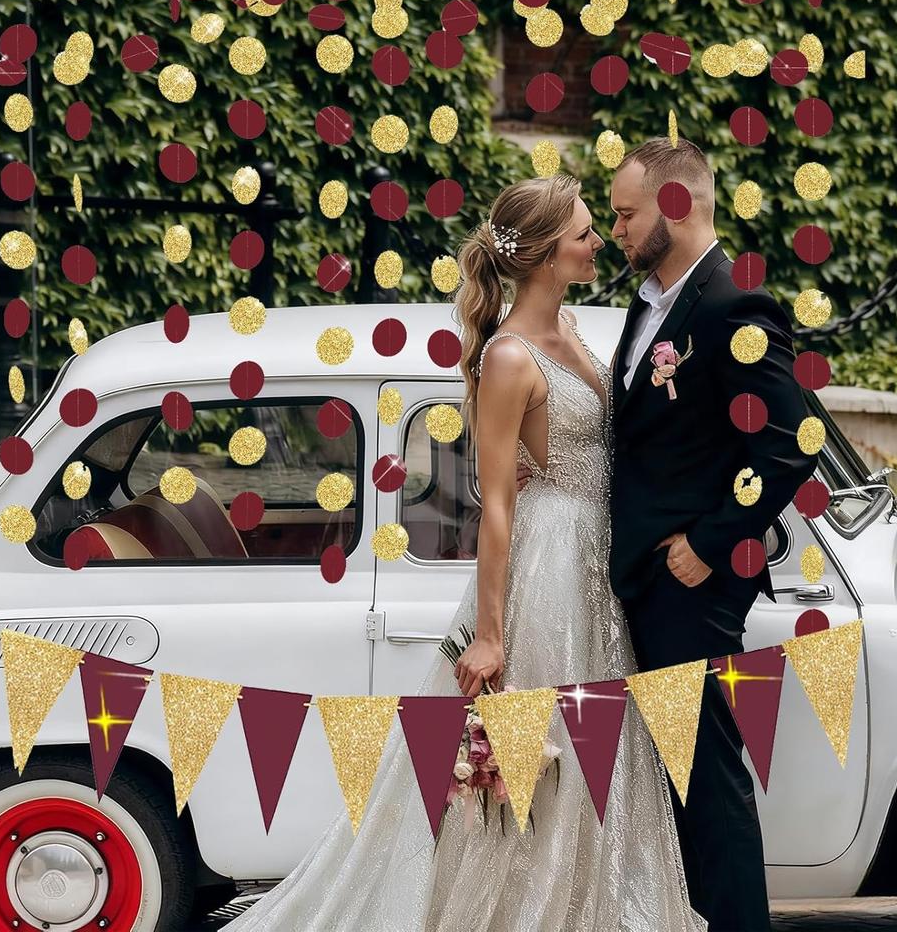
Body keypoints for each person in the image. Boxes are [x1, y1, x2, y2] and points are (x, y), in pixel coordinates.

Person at [222, 172, 707, 932]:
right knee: (540, 755)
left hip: (594, 564)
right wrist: (489, 632)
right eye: (583, 232)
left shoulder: (573, 331)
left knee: (595, 748)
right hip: (546, 566)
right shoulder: (511, 357)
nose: (596, 242)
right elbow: (498, 505)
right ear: (546, 253)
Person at [519, 138, 814, 932]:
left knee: (706, 780)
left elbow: (790, 443)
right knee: (674, 782)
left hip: (691, 588)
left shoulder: (729, 305)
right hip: (636, 579)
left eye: (624, 212)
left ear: (676, 206)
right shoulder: (653, 300)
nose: (613, 228)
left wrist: (711, 543)